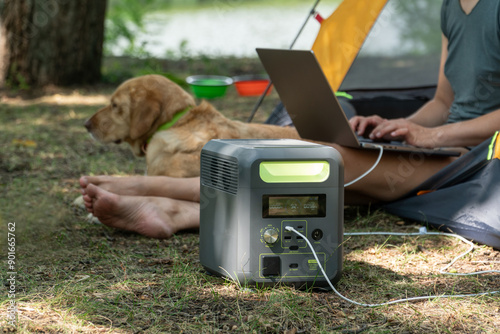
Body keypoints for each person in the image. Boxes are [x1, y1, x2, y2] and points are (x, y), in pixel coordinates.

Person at [81, 0, 500, 239]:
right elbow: (444, 100)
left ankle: (154, 188)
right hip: (441, 142)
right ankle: (175, 212)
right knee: (327, 182)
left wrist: (434, 136)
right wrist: (401, 127)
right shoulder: (451, 6)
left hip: (477, 155)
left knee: (325, 159)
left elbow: (454, 121)